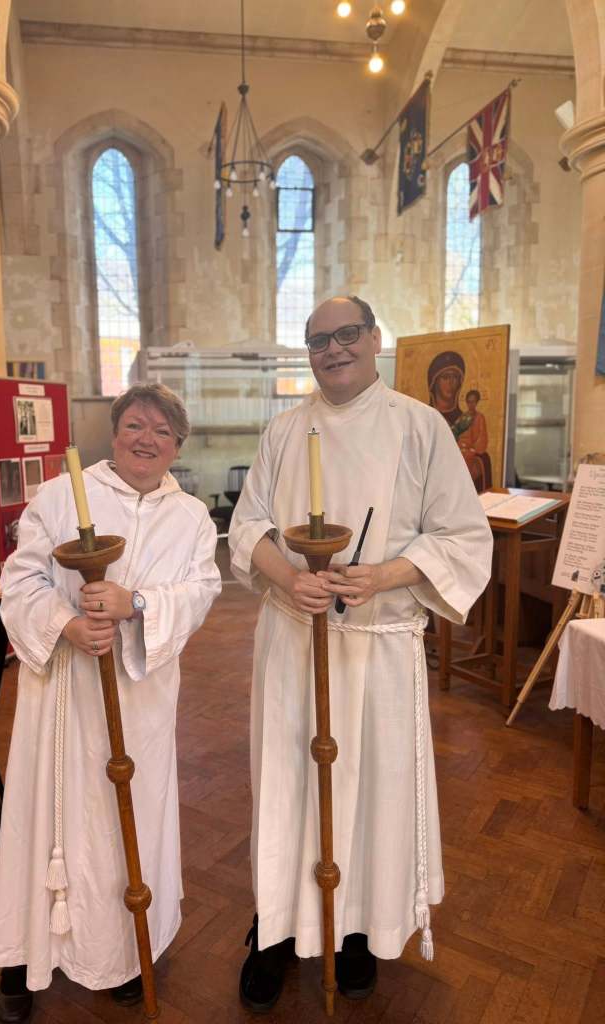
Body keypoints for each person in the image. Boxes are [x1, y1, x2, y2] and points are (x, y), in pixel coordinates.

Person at [229, 296, 492, 1012]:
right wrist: (288, 578)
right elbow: (247, 524)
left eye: (347, 334)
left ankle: (358, 933)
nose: (333, 349)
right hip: (292, 642)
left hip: (377, 649)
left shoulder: (420, 425)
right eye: (318, 340)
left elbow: (464, 537)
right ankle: (275, 931)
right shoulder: (285, 430)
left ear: (375, 339)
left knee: (371, 788)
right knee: (286, 785)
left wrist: (382, 575)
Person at [0, 383, 222, 1022]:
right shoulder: (65, 493)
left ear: (177, 445)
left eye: (161, 432)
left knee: (132, 820)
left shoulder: (191, 517)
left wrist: (135, 605)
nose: (146, 440)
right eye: (134, 426)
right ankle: (23, 957)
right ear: (115, 430)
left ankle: (124, 949)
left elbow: (201, 588)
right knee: (48, 819)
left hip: (138, 700)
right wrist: (66, 622)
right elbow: (21, 576)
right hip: (63, 695)